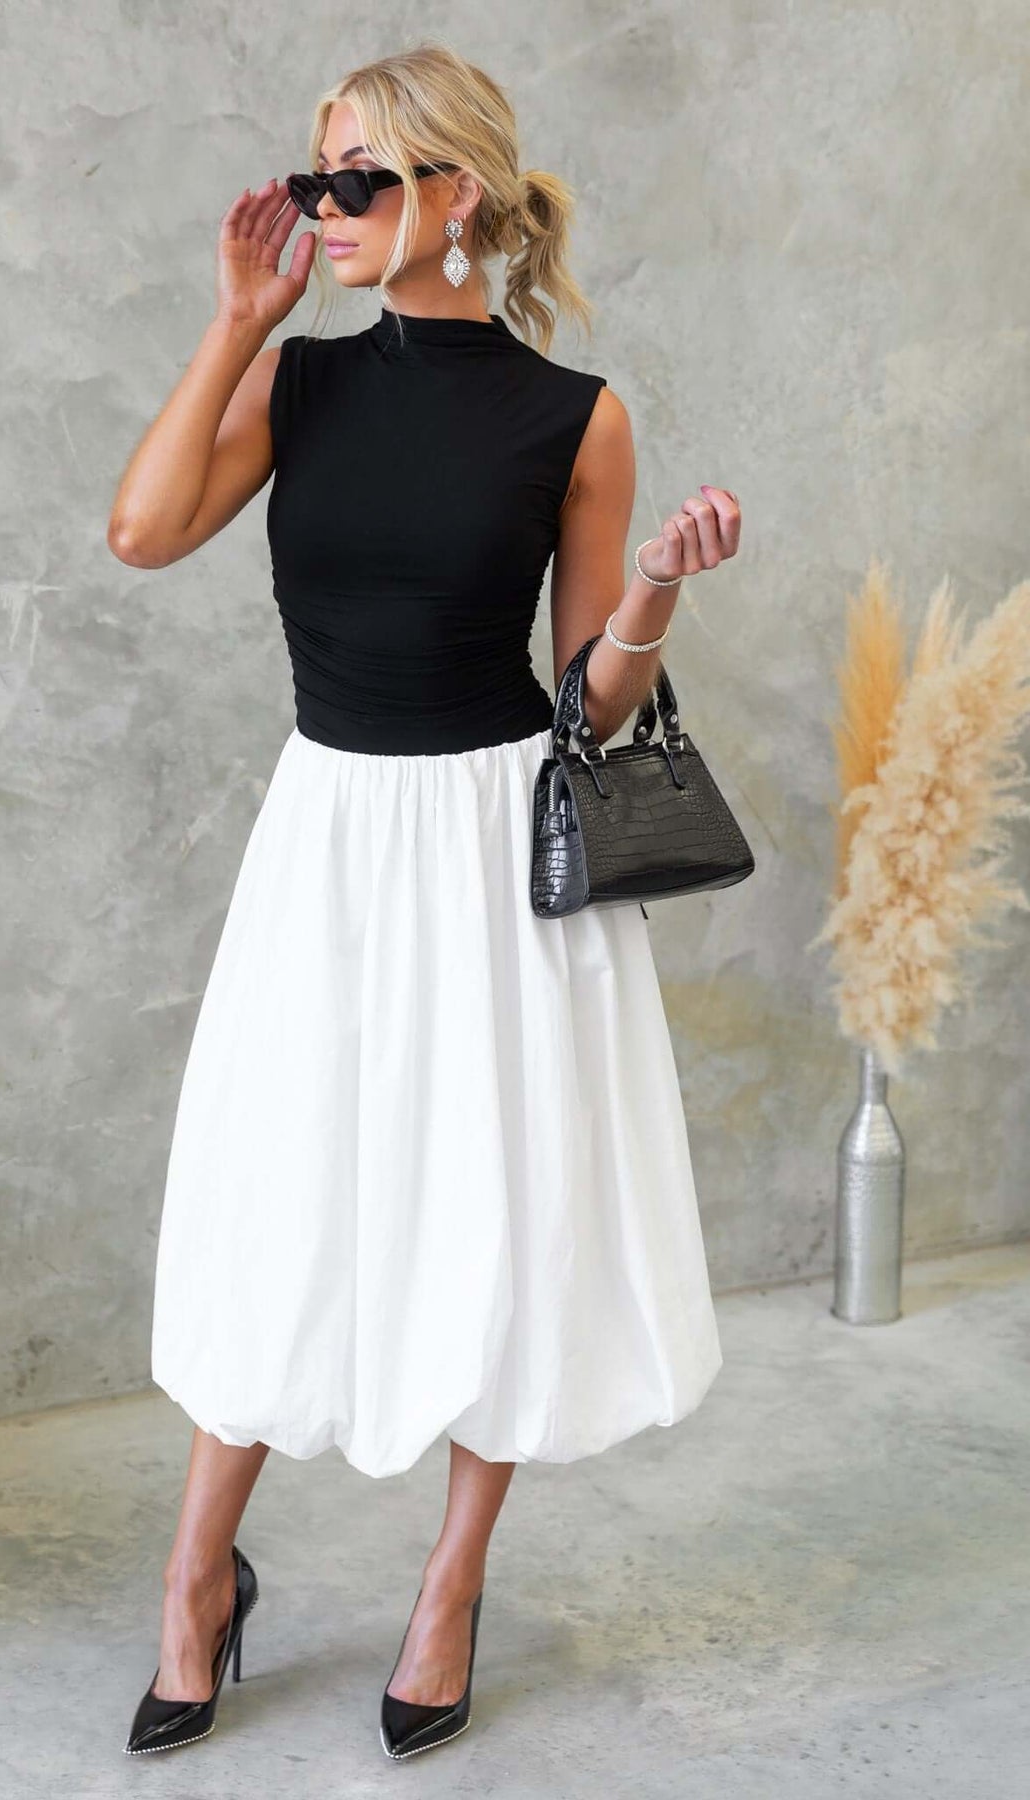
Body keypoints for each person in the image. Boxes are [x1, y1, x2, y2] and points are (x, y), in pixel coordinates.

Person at [106, 39, 740, 1764]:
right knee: (279, 1198)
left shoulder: (577, 418)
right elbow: (142, 533)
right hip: (327, 837)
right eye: (314, 180)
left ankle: (449, 1591)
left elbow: (588, 700)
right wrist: (236, 323)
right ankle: (195, 1581)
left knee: (494, 1215)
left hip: (489, 849)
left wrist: (655, 592)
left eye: (355, 182)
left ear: (453, 194)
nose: (323, 211)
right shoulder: (298, 382)